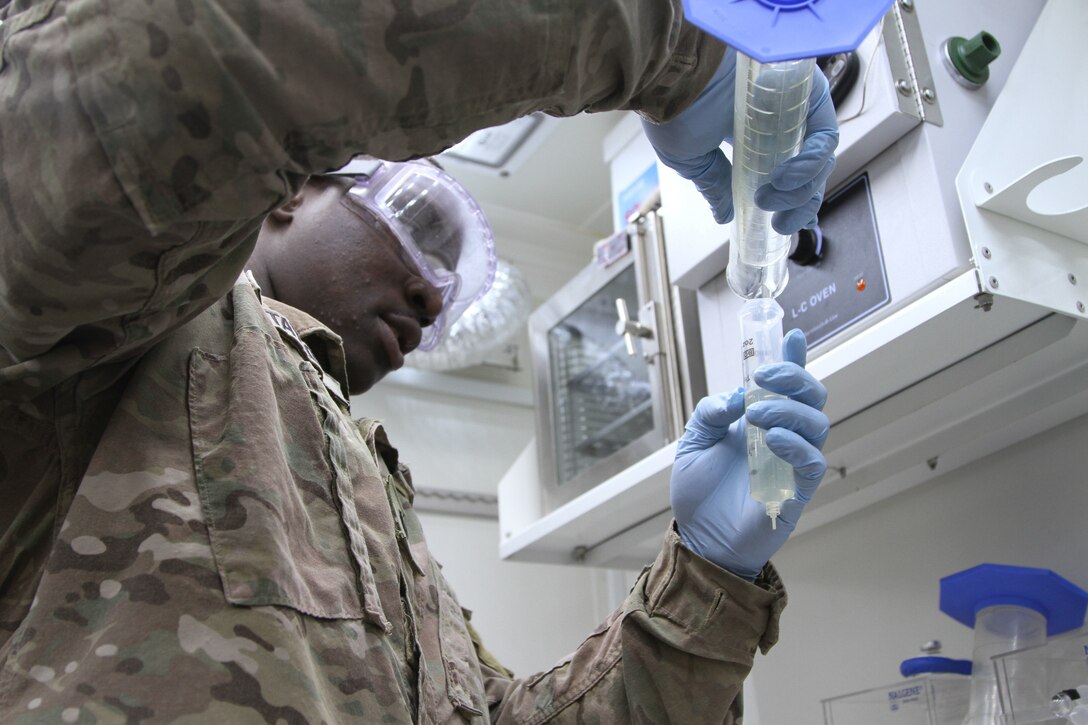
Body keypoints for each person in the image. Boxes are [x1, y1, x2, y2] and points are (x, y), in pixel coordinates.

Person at [0, 1, 833, 722]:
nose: (434, 297)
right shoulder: (114, 327)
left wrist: (707, 577)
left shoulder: (373, 501)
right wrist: (684, 41)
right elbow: (188, 52)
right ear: (290, 193)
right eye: (424, 228)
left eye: (455, 285)